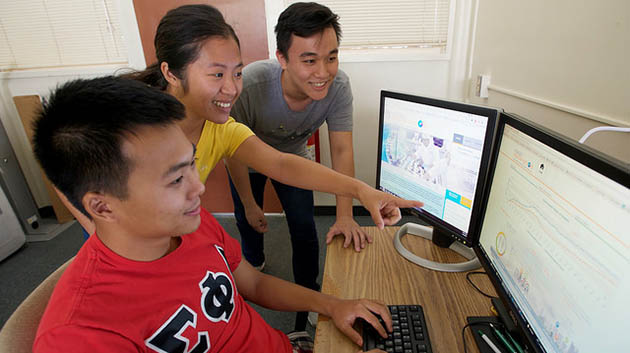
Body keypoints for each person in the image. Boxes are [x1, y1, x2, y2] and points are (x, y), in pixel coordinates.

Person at [32, 76, 390, 353]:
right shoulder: (79, 334)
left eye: (192, 164)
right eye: (175, 179)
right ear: (102, 206)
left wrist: (332, 304)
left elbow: (253, 283)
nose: (198, 188)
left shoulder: (189, 222)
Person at [68, 4, 421, 243]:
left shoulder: (221, 127)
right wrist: (95, 229)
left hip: (166, 236)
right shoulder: (133, 127)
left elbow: (282, 163)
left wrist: (360, 191)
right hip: (119, 243)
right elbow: (58, 152)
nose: (233, 88)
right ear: (171, 73)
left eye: (237, 73)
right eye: (217, 74)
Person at [226, 2, 360, 330]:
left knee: (304, 227)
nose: (323, 72)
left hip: (295, 160)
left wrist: (345, 214)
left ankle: (309, 294)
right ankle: (253, 263)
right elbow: (231, 150)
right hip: (248, 157)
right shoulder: (251, 85)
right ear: (282, 58)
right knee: (248, 218)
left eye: (331, 57)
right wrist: (248, 202)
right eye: (309, 60)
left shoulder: (338, 87)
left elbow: (342, 150)